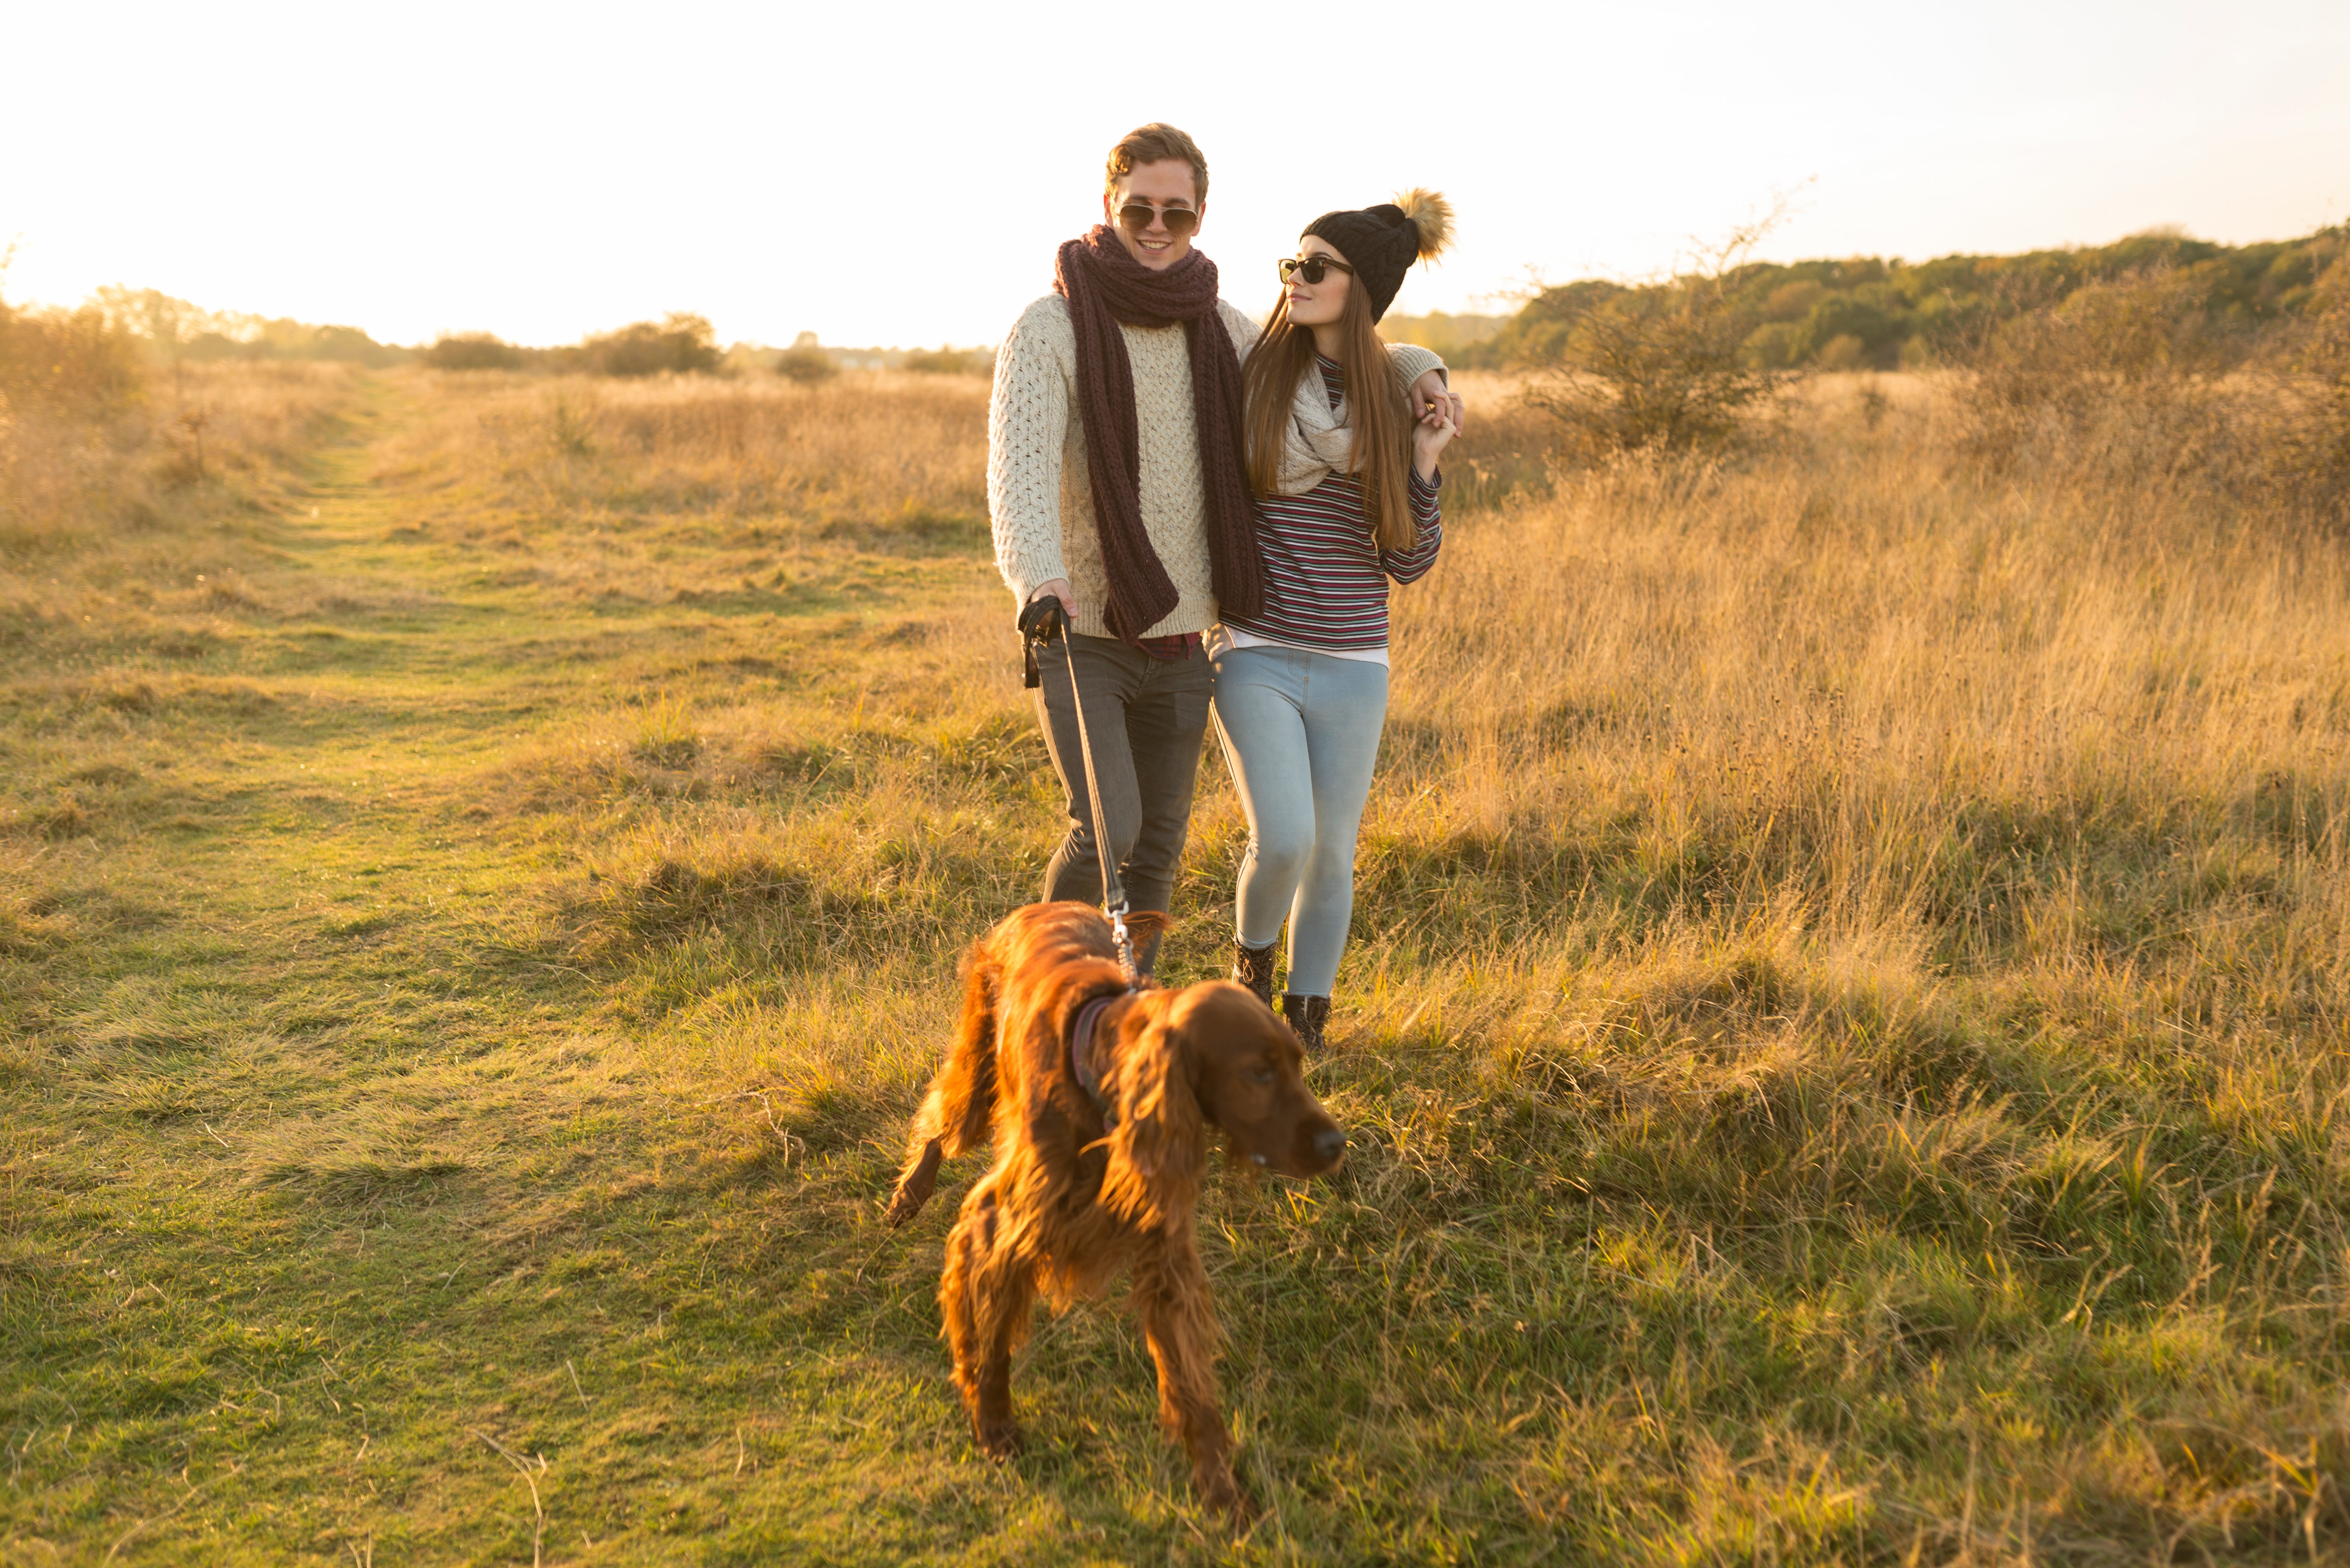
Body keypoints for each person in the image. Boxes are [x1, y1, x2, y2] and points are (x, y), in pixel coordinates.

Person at [987, 125, 1459, 976]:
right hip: (1084, 625)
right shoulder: (1051, 325)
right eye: (1139, 208)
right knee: (1108, 829)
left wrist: (1420, 365)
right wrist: (1038, 578)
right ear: (1109, 206)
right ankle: (1040, 990)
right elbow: (1017, 470)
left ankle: (1127, 1004)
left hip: (1189, 632)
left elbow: (1338, 341)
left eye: (1177, 211)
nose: (1157, 225)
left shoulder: (1223, 329)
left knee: (1161, 841)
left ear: (1201, 215)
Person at [1210, 192, 1459, 1049]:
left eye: (1318, 268)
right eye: (1292, 264)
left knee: (1332, 853)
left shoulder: (1392, 404)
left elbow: (1410, 565)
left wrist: (1423, 466)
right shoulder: (1255, 371)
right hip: (1256, 648)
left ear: (1363, 289)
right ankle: (1248, 967)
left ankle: (1306, 1019)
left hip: (1356, 659)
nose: (1296, 280)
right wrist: (1421, 360)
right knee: (1282, 837)